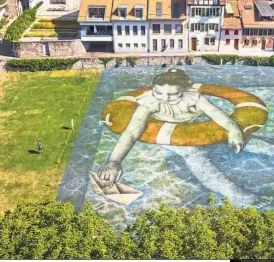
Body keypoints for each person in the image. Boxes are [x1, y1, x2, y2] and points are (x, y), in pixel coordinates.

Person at [97, 68, 246, 184]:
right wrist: (114, 162)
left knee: (243, 137)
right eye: (158, 93)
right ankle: (235, 195)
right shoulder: (149, 102)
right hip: (167, 132)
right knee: (194, 154)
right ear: (153, 90)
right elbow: (131, 132)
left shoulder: (194, 98)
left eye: (172, 95)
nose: (164, 99)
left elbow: (216, 113)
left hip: (193, 126)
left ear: (184, 90)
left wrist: (234, 130)